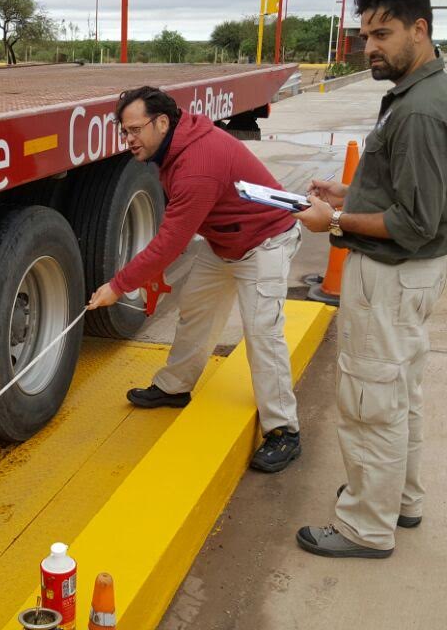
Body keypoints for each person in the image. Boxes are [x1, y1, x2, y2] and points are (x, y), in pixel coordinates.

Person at [291, 0, 447, 559]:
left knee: (371, 401)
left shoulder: (420, 109)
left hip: (394, 273)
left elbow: (415, 221)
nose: (370, 46)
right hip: (411, 272)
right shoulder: (422, 92)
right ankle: (401, 501)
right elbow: (409, 192)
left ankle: (366, 526)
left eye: (383, 33)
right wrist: (350, 192)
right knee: (399, 392)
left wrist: (335, 224)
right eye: (365, 33)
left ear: (420, 29)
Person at [86, 86, 305, 473]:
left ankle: (284, 430)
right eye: (124, 132)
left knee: (262, 333)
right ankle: (174, 387)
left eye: (135, 130)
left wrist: (118, 285)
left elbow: (171, 241)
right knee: (195, 313)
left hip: (265, 241)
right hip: (225, 241)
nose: (128, 140)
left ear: (163, 122)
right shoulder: (176, 144)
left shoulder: (197, 165)